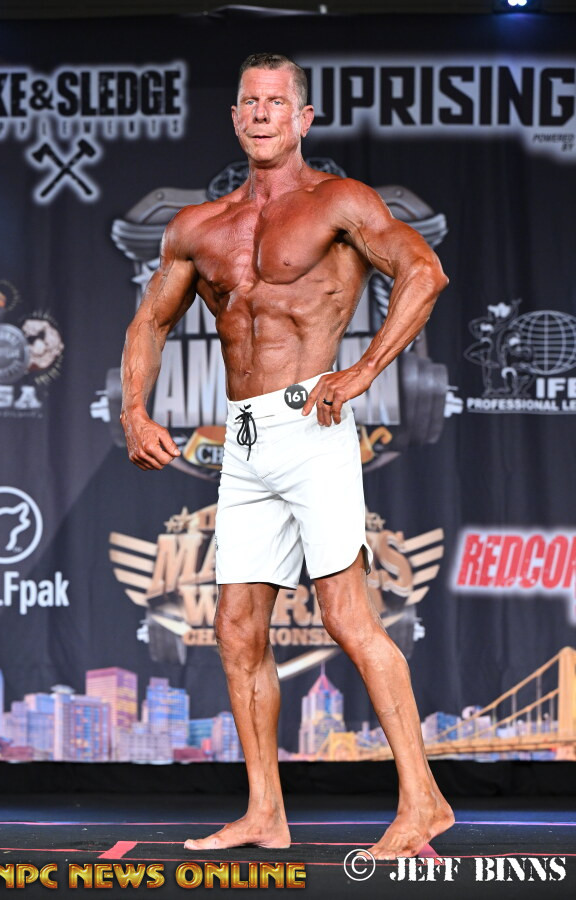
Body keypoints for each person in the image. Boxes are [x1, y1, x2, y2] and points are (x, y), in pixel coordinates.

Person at [120, 52, 454, 859]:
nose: (263, 113)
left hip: (312, 425)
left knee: (346, 615)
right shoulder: (197, 227)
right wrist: (133, 410)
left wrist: (364, 370)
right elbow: (150, 322)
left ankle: (423, 803)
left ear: (303, 119)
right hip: (243, 440)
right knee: (237, 628)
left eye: (278, 102)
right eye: (251, 102)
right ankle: (265, 812)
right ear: (236, 118)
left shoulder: (339, 202)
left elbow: (425, 271)